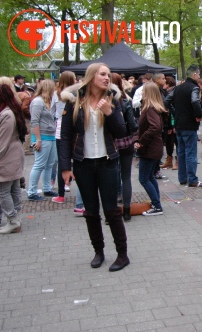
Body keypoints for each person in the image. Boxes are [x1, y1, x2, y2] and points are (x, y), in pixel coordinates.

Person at [59, 63, 129, 272]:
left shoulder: (113, 100)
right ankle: (98, 251)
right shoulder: (74, 101)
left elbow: (121, 132)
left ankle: (122, 254)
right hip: (83, 165)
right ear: (91, 76)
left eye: (108, 74)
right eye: (102, 74)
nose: (107, 78)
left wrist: (110, 113)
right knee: (90, 212)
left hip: (107, 162)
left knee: (112, 211)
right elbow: (65, 137)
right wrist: (65, 166)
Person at [164, 65, 202, 187]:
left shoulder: (178, 88)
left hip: (179, 124)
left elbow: (167, 101)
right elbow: (194, 101)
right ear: (194, 75)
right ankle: (192, 179)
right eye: (198, 74)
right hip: (189, 124)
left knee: (181, 151)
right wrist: (198, 114)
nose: (199, 76)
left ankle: (182, 178)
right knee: (190, 152)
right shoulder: (194, 88)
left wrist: (175, 112)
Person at [133, 82, 167, 216]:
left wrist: (141, 142)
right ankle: (156, 202)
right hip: (153, 147)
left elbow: (155, 127)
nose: (141, 93)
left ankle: (157, 205)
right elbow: (142, 128)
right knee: (150, 177)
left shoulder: (150, 109)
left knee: (143, 178)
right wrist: (137, 139)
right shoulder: (152, 108)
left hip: (150, 148)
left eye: (143, 91)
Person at [0, 84, 28, 234]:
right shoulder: (11, 111)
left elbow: (2, 141)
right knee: (13, 188)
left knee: (4, 190)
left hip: (7, 156)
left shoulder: (6, 114)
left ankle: (13, 219)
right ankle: (15, 217)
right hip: (12, 153)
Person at [111, 73, 138, 221]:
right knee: (126, 177)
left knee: (110, 177)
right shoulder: (125, 101)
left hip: (110, 144)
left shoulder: (104, 101)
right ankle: (127, 211)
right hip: (126, 142)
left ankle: (112, 211)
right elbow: (133, 126)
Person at [27, 79, 58, 201]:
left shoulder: (48, 102)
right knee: (39, 164)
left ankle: (47, 188)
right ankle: (32, 191)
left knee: (50, 164)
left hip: (50, 135)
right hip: (42, 137)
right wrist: (38, 139)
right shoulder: (38, 102)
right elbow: (34, 121)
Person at [51, 71, 76, 204]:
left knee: (62, 160)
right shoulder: (76, 93)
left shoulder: (56, 94)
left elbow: (52, 111)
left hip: (60, 129)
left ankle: (61, 193)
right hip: (73, 128)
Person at [161, 76, 178, 169]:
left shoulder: (173, 93)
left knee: (175, 140)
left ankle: (177, 161)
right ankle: (169, 159)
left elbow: (172, 109)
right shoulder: (166, 92)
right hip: (169, 121)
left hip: (173, 120)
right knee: (168, 141)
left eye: (164, 81)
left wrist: (172, 125)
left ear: (167, 84)